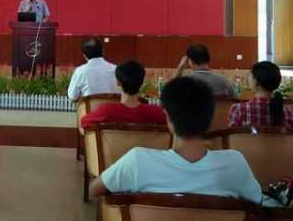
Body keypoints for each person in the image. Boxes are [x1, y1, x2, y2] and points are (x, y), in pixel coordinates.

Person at [89, 76, 263, 203]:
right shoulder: (235, 164)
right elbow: (258, 204)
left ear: (168, 118)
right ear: (210, 119)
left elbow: (94, 190)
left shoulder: (137, 161)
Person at [81, 60, 166, 128]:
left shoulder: (105, 111)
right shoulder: (157, 113)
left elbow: (83, 122)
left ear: (118, 82)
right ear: (142, 83)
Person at [228, 61, 293, 130]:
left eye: (250, 74)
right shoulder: (287, 112)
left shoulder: (238, 110)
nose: (247, 77)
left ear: (255, 81)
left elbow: (231, 135)